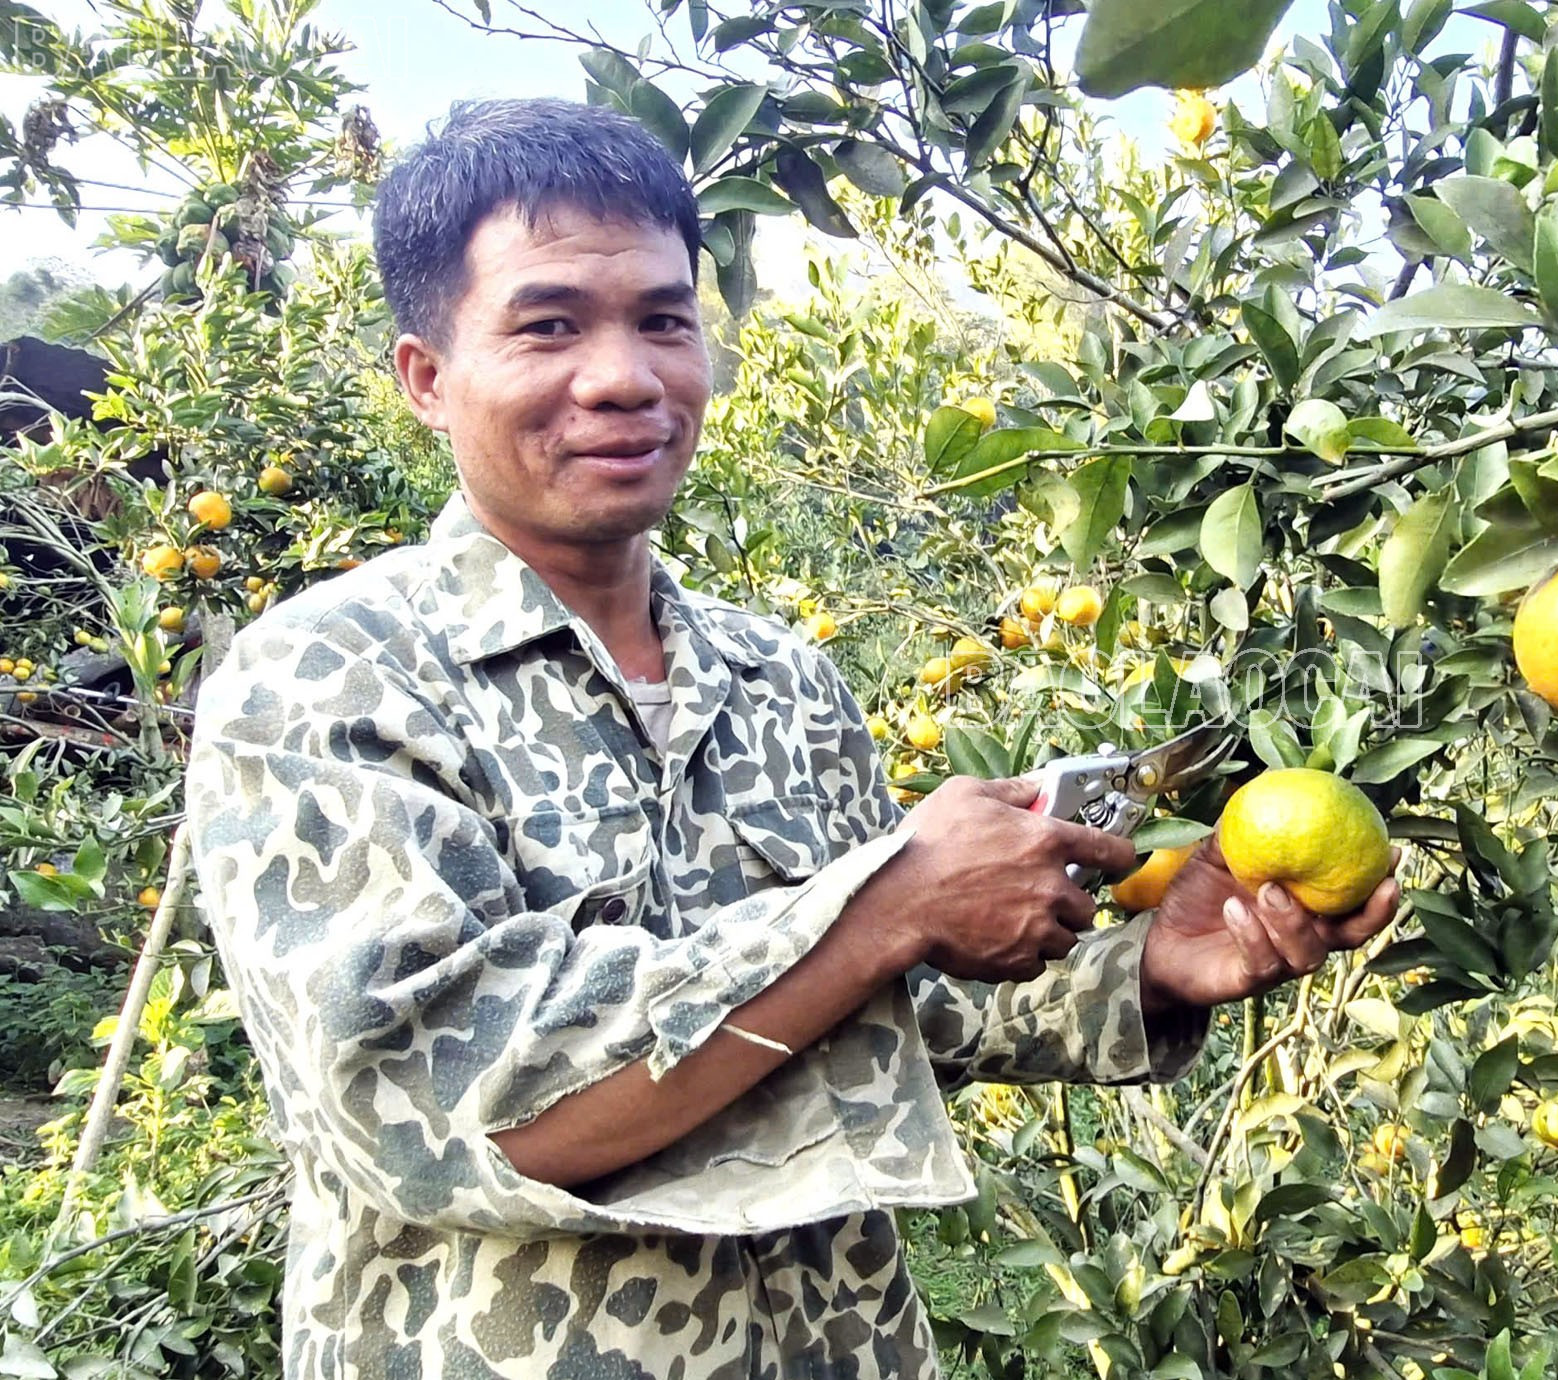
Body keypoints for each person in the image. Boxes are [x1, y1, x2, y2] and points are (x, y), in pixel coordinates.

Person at [173, 97, 1401, 1379]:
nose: (623, 376)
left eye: (663, 319)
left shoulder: (780, 676)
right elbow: (441, 1108)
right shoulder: (329, 677)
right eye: (548, 325)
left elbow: (884, 1008)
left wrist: (1146, 967)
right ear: (427, 377)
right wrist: (887, 903)